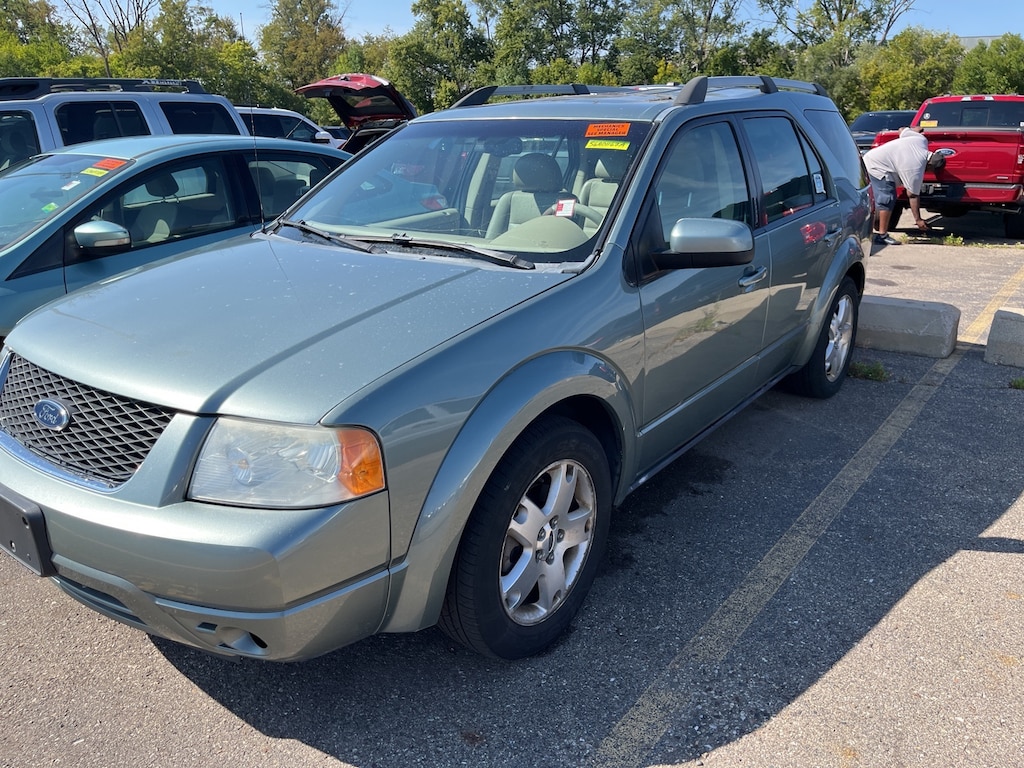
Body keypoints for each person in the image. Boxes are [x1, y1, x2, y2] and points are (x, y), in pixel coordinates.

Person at [862, 125, 945, 246]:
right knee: (887, 198)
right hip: (876, 166)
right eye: (930, 171)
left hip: (873, 157)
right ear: (929, 165)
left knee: (880, 199)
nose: (927, 172)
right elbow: (912, 195)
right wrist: (918, 220)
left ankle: (874, 226)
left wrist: (915, 130)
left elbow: (902, 130)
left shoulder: (921, 140)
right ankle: (882, 236)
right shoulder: (915, 168)